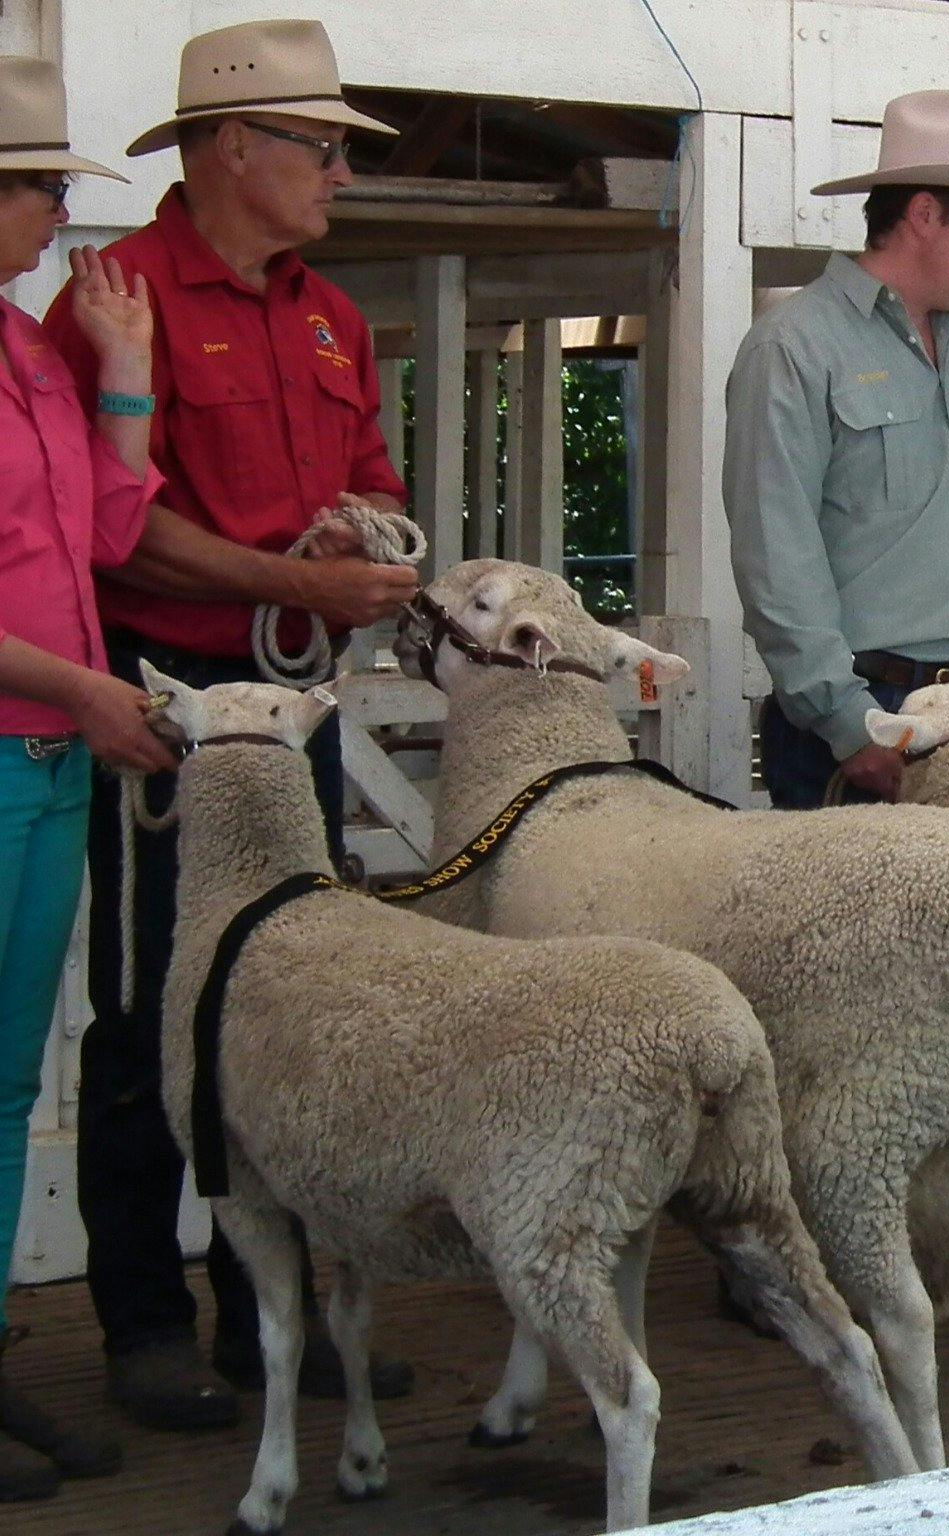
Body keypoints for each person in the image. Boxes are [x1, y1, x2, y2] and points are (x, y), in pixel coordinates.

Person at [37, 19, 420, 1431]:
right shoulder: (114, 297)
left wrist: (364, 541)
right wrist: (301, 578)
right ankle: (145, 1319)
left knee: (286, 999)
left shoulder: (330, 313)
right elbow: (104, 533)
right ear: (228, 149)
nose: (336, 174)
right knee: (148, 1004)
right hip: (169, 702)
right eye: (318, 148)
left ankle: (278, 1316)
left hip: (289, 695)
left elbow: (375, 474)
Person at [725, 90, 949, 809]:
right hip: (865, 724)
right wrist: (849, 724)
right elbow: (776, 553)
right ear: (924, 215)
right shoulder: (793, 344)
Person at [0, 54, 171, 1504]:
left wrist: (122, 381)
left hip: (47, 757)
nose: (59, 207)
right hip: (25, 741)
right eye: (41, 182)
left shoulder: (23, 355)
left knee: (3, 1083)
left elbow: (106, 543)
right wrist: (80, 688)